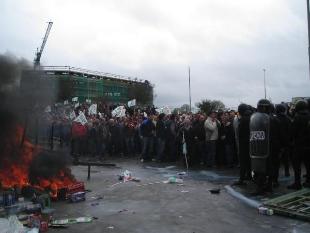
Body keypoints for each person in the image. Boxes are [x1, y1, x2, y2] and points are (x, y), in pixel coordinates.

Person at [288, 100, 310, 189]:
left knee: (297, 166)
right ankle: (308, 181)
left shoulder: (297, 117)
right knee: (308, 165)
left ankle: (297, 183)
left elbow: (292, 132)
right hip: (309, 145)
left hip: (299, 145)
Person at [234, 104, 251, 186]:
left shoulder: (243, 119)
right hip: (251, 143)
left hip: (244, 144)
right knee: (249, 162)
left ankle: (241, 179)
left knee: (243, 162)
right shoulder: (251, 117)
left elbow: (239, 133)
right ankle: (249, 176)